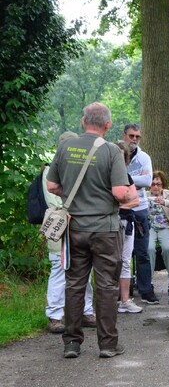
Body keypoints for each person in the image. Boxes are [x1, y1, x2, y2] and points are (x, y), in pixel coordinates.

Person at [47, 102, 137, 359]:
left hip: (74, 227)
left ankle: (72, 343)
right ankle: (108, 345)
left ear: (83, 122)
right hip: (105, 230)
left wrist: (78, 196)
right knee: (107, 286)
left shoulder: (65, 146)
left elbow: (52, 185)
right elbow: (120, 193)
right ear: (108, 126)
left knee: (74, 284)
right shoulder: (111, 150)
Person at [44, 131, 96, 333]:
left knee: (85, 269)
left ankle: (86, 311)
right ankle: (55, 315)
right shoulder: (50, 172)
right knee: (59, 269)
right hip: (61, 229)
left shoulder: (81, 170)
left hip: (81, 228)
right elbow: (54, 201)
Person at [122, 124, 157, 304]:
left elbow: (147, 180)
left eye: (137, 136)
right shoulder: (116, 154)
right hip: (121, 209)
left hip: (141, 208)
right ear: (124, 135)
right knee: (121, 254)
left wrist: (124, 179)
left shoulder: (144, 157)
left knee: (142, 251)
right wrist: (135, 181)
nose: (134, 139)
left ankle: (145, 289)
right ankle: (121, 293)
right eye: (131, 136)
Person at [114, 141, 143, 314]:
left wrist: (117, 205)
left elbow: (135, 200)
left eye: (121, 156)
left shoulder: (126, 176)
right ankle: (108, 301)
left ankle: (124, 300)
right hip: (107, 225)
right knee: (108, 262)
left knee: (125, 261)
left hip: (126, 223)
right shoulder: (101, 175)